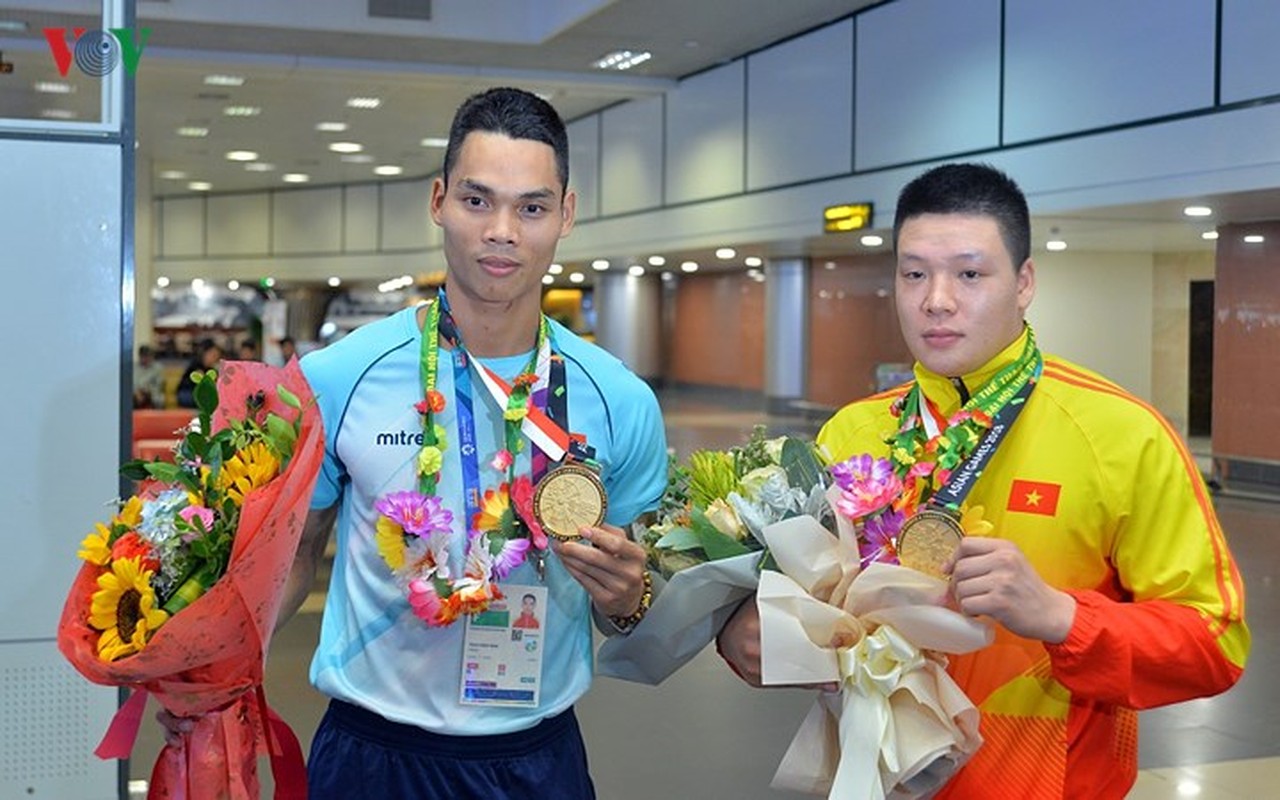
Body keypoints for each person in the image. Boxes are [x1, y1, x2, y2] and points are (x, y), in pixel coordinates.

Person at [716, 163, 1249, 798]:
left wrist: (1060, 616)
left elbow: (1215, 643)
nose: (936, 299)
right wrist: (748, 631)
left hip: (1046, 782)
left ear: (1024, 282)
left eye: (970, 273)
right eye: (914, 274)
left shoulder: (1122, 434)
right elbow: (787, 601)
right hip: (873, 777)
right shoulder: (851, 434)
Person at [277, 88, 666, 798]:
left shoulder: (620, 400)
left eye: (532, 207)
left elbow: (641, 598)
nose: (502, 231)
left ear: (566, 215)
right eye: (477, 200)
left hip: (535, 758)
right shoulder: (337, 378)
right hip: (372, 754)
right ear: (438, 200)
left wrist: (630, 597)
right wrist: (211, 674)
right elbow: (294, 556)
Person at [174, 339, 222, 408]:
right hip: (187, 392)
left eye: (217, 356)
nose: (215, 358)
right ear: (204, 353)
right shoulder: (195, 365)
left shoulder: (213, 370)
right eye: (213, 355)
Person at [133, 344, 166, 409]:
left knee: (158, 399)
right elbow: (132, 383)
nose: (147, 358)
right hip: (136, 394)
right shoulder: (134, 367)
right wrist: (137, 392)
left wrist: (147, 391)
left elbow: (159, 384)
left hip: (152, 393)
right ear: (140, 356)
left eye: (149, 356)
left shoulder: (158, 368)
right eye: (144, 356)